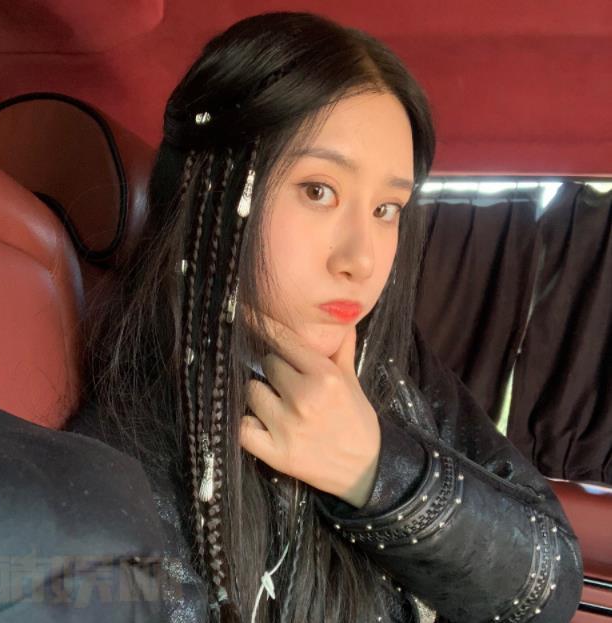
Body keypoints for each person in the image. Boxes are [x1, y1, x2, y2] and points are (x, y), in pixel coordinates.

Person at [64, 10, 584, 623]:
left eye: (387, 208)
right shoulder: (123, 465)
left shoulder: (396, 362)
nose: (361, 260)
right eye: (319, 191)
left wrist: (376, 470)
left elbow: (552, 584)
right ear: (209, 190)